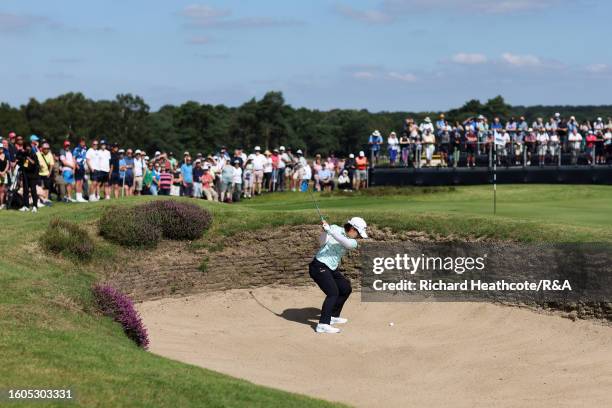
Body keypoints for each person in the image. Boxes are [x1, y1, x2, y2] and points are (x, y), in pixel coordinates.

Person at [309, 217, 368, 334]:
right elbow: (321, 242)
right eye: (358, 233)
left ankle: (332, 316)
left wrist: (330, 231)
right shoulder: (335, 228)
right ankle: (322, 325)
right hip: (318, 266)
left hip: (331, 268)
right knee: (333, 293)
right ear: (352, 229)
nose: (359, 237)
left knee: (346, 288)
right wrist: (325, 232)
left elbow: (343, 241)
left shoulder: (352, 242)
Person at [18, 142, 40, 212]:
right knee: (25, 191)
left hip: (33, 175)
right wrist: (20, 151)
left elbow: (35, 164)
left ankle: (35, 206)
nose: (27, 148)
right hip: (25, 175)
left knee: (33, 191)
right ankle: (26, 206)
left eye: (28, 147)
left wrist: (28, 158)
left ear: (30, 147)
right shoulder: (23, 154)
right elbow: (19, 159)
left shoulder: (34, 154)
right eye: (26, 147)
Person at [36, 142, 54, 206]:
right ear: (42, 149)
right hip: (38, 173)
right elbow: (35, 162)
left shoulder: (50, 154)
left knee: (47, 187)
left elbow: (51, 165)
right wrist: (38, 165)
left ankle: (45, 199)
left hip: (46, 173)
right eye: (45, 148)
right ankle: (39, 199)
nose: (46, 150)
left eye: (47, 148)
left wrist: (50, 172)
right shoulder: (38, 154)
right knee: (39, 187)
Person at [0, 145, 8, 209]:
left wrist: (4, 172)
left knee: (3, 190)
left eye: (2, 148)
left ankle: (2, 204)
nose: (1, 149)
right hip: (0, 174)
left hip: (4, 174)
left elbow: (7, 164)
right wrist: (0, 173)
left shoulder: (6, 155)